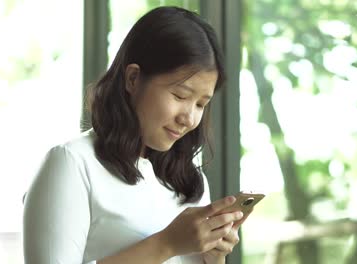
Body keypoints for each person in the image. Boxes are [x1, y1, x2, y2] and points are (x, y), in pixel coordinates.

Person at [23, 6, 249, 264]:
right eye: (180, 96)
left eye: (201, 104)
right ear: (133, 78)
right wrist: (166, 244)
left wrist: (214, 257)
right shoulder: (72, 163)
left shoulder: (191, 182)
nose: (189, 118)